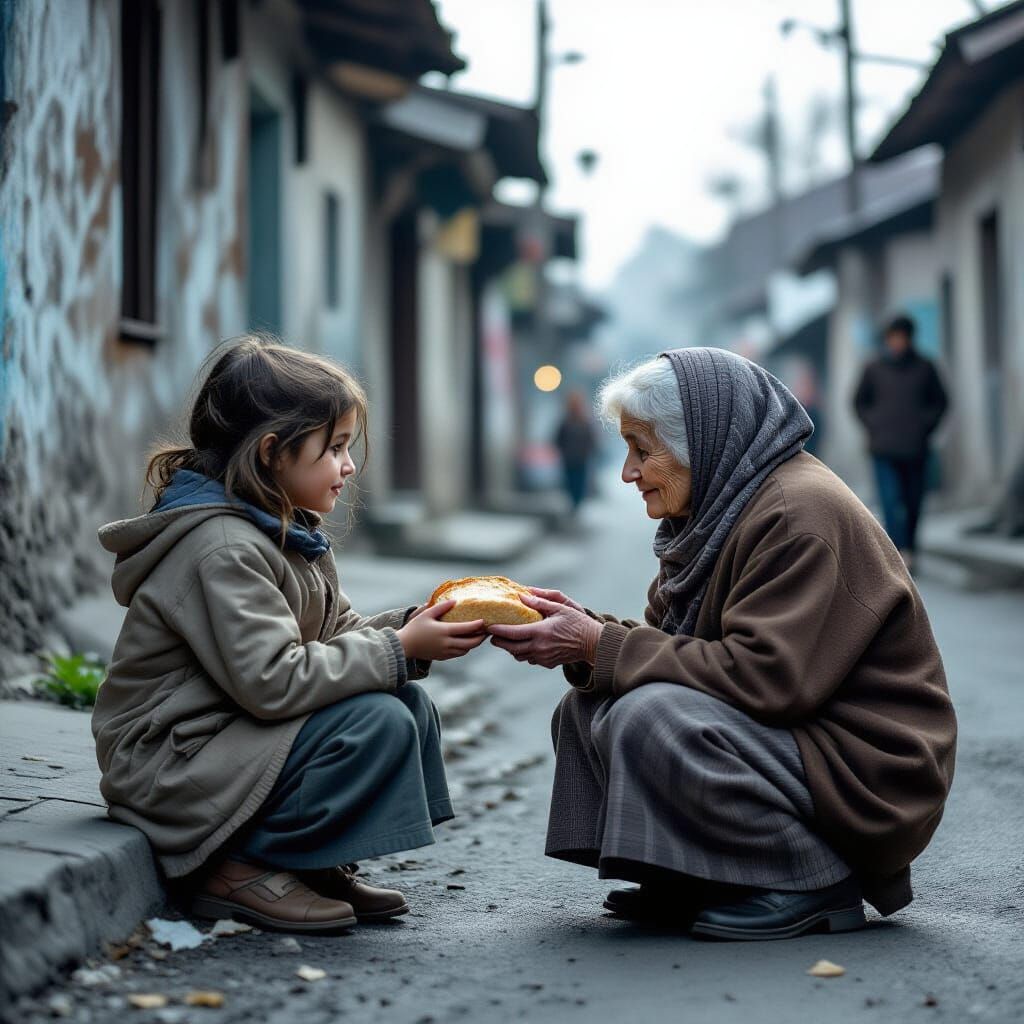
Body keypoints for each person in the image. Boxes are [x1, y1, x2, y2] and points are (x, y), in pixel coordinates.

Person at [488, 349, 957, 942]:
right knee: (588, 709)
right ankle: (695, 874)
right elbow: (671, 646)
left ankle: (814, 883)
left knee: (650, 715)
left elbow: (767, 681)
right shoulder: (715, 511)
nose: (628, 473)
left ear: (702, 443)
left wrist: (599, 643)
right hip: (799, 737)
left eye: (643, 450)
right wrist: (583, 636)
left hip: (868, 768)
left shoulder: (797, 513)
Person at [92, 336, 486, 933]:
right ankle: (238, 867)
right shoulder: (222, 548)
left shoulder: (283, 531)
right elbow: (273, 681)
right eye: (335, 448)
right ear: (273, 452)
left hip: (222, 740)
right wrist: (397, 650)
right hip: (168, 763)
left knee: (405, 699)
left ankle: (308, 861)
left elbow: (337, 634)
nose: (349, 467)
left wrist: (409, 630)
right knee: (374, 721)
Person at [854, 314, 949, 571]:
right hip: (883, 448)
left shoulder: (925, 367)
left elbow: (940, 402)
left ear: (909, 338)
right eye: (892, 337)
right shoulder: (873, 369)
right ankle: (899, 550)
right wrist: (874, 425)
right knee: (889, 499)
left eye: (901, 337)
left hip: (915, 448)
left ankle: (911, 547)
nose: (897, 342)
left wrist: (924, 426)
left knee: (913, 501)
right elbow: (858, 402)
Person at [554, 391, 597, 514]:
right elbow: (557, 439)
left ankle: (577, 506)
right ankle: (573, 505)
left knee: (580, 484)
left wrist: (588, 452)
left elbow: (592, 440)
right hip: (568, 460)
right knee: (570, 483)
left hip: (581, 460)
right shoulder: (565, 422)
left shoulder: (585, 422)